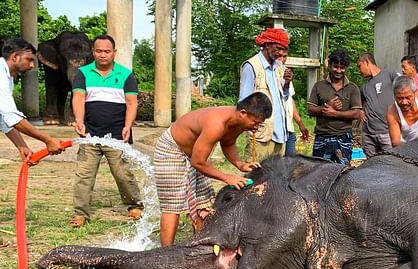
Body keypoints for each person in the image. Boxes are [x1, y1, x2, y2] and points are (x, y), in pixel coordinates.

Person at [154, 91, 270, 247]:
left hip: (195, 155)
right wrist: (227, 177)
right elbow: (198, 163)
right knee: (173, 204)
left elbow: (228, 143)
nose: (256, 127)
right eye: (255, 122)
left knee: (204, 201)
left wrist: (240, 165)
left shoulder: (238, 122)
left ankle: (198, 246)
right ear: (243, 113)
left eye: (260, 123)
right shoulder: (216, 123)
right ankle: (165, 253)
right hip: (172, 150)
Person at [69, 34, 143, 228]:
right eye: (99, 51)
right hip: (89, 135)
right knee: (84, 175)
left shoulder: (125, 75)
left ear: (114, 53)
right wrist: (79, 120)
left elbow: (131, 102)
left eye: (107, 51)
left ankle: (134, 206)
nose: (103, 55)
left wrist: (128, 126)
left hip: (117, 136)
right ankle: (81, 213)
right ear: (93, 52)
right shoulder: (83, 73)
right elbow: (78, 98)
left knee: (122, 173)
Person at [0, 37, 65, 162]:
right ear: (14, 57)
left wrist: (22, 146)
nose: (32, 66)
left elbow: (3, 120)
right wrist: (48, 140)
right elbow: (12, 117)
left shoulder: (7, 77)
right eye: (29, 60)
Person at [239, 27, 291, 161]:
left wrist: (286, 84)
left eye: (283, 49)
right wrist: (251, 126)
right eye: (278, 48)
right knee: (255, 177)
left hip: (280, 134)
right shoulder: (251, 66)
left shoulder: (279, 67)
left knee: (277, 178)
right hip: (261, 135)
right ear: (267, 45)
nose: (281, 53)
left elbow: (283, 98)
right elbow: (244, 102)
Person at [308, 49, 362, 164]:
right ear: (329, 65)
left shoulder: (353, 88)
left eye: (342, 68)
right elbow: (310, 110)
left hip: (343, 137)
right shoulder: (319, 86)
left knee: (343, 172)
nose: (338, 70)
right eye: (335, 67)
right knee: (318, 172)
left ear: (346, 68)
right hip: (322, 136)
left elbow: (357, 113)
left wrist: (335, 113)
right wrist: (325, 107)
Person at [356, 52, 399, 157]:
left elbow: (405, 84)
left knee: (391, 163)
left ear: (367, 62)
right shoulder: (365, 87)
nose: (359, 71)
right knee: (372, 166)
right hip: (368, 134)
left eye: (359, 66)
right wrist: (360, 111)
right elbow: (359, 104)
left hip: (387, 133)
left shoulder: (389, 74)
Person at [275, 52, 309, 156]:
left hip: (288, 128)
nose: (281, 59)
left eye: (284, 56)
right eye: (278, 56)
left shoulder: (286, 73)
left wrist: (300, 123)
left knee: (291, 164)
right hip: (275, 130)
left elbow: (289, 100)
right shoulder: (269, 73)